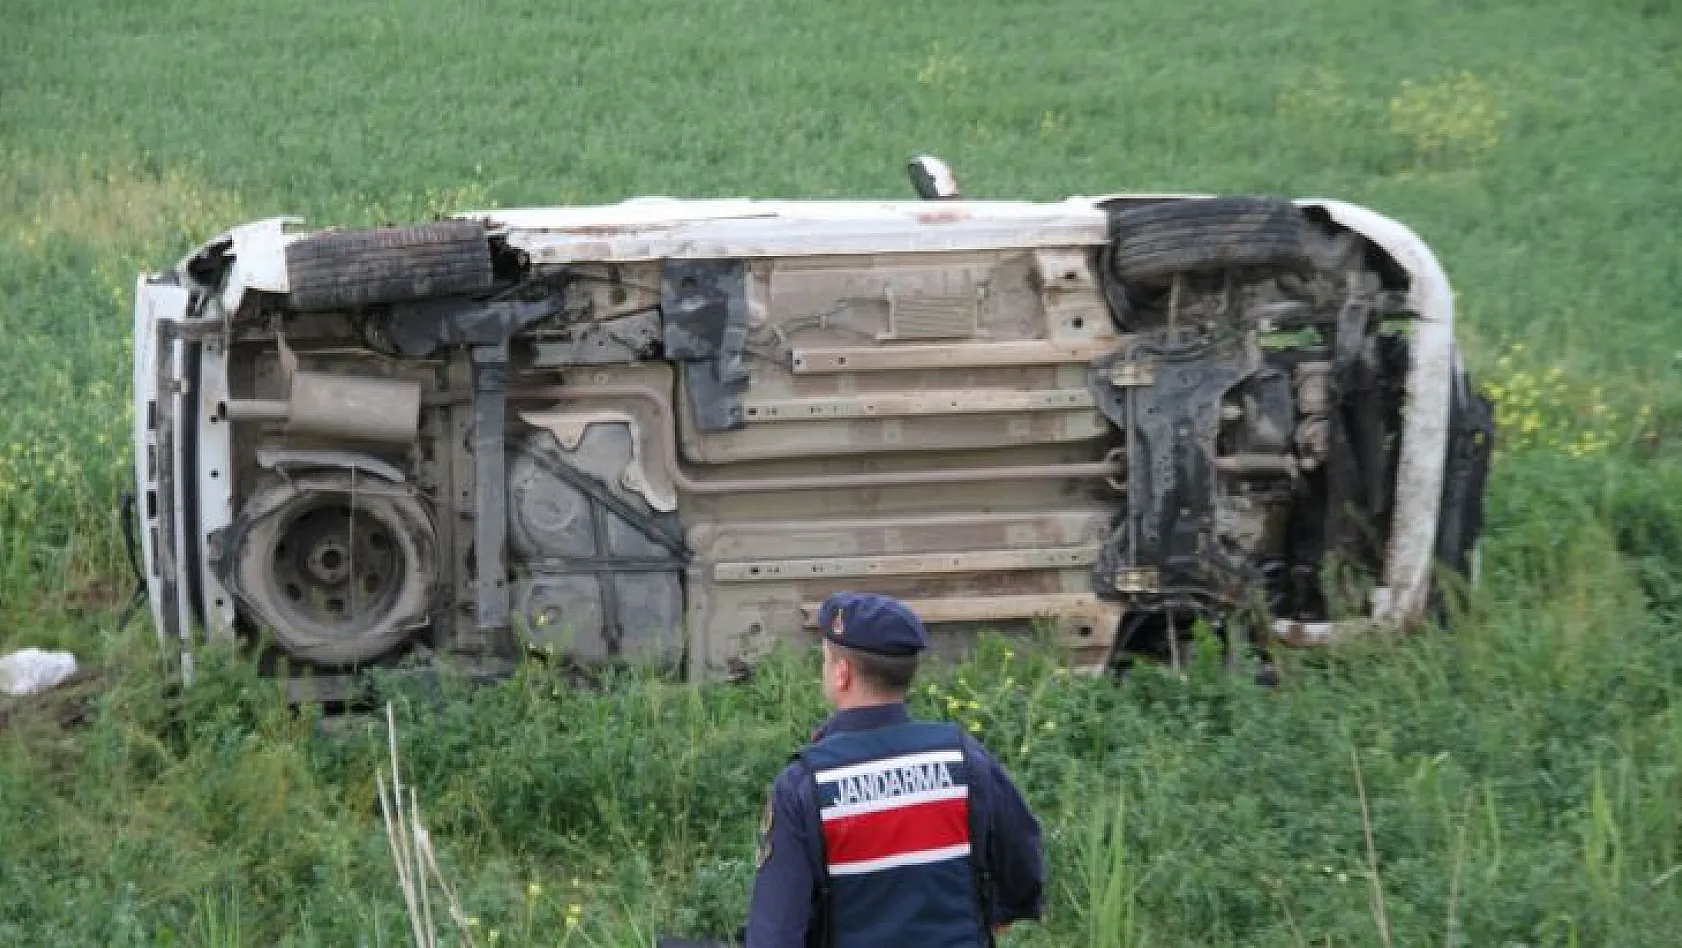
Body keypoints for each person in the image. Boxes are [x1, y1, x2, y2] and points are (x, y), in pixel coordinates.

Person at [744, 591, 1044, 947]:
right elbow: (1023, 865)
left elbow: (776, 935)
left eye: (824, 661)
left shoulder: (805, 785)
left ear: (842, 674)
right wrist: (998, 912)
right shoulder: (964, 758)